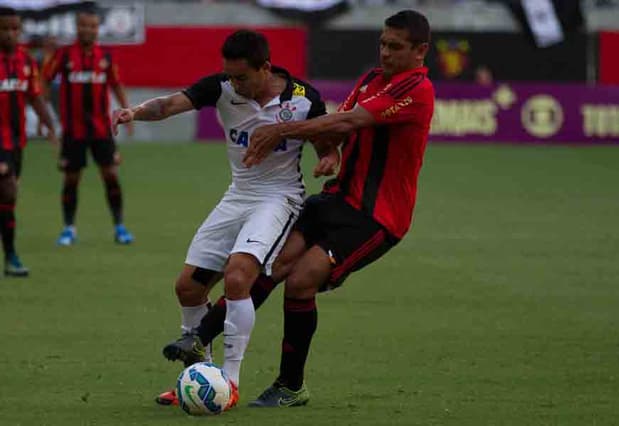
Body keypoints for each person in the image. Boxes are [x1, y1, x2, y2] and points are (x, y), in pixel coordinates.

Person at [111, 30, 337, 407]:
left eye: (242, 77)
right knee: (187, 288)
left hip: (279, 199)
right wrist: (134, 112)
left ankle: (228, 384)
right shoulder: (220, 88)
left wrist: (330, 160)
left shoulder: (302, 98)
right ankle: (200, 377)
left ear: (265, 68)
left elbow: (326, 145)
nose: (234, 84)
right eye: (229, 76)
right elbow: (168, 105)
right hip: (238, 197)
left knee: (237, 277)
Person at [242, 9, 435, 406]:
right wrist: (330, 153)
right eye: (382, 43)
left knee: (299, 281)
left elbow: (350, 121)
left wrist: (281, 128)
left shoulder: (416, 88)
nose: (384, 52)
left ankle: (290, 386)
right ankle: (203, 346)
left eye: (395, 47)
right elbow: (338, 124)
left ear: (420, 51)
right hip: (337, 198)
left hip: (376, 217)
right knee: (269, 266)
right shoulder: (370, 79)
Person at [42, 5, 134, 246]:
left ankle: (120, 227)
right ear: (76, 27)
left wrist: (129, 113)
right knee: (71, 180)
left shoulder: (105, 56)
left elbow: (116, 85)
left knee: (111, 176)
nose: (88, 30)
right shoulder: (64, 55)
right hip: (73, 131)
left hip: (101, 131)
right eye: (83, 25)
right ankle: (69, 228)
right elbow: (44, 81)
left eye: (92, 26)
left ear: (98, 28)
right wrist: (45, 118)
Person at [0, 7, 58, 277]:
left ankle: (10, 255)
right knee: (8, 189)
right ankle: (11, 255)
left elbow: (34, 96)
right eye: (5, 29)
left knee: (8, 200)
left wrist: (49, 125)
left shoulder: (25, 62)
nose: (10, 34)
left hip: (16, 141)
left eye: (15, 29)